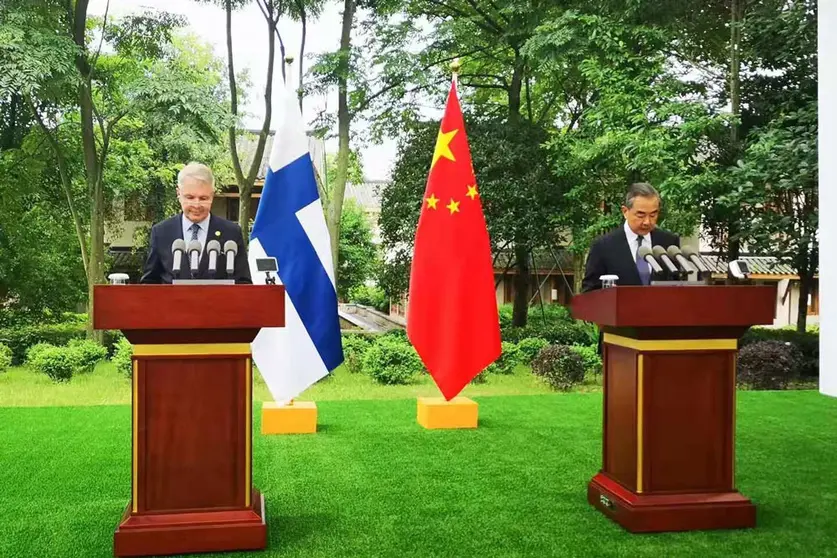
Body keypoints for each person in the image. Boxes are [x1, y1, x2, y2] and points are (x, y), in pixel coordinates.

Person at [140, 162, 252, 284]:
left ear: (212, 196)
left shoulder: (231, 232)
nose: (196, 205)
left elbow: (243, 283)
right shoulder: (161, 232)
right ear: (178, 193)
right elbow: (149, 283)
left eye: (203, 198)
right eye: (190, 197)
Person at [582, 182, 679, 292]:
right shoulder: (603, 246)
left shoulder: (669, 243)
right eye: (641, 215)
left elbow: (677, 285)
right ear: (625, 211)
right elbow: (589, 292)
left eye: (653, 215)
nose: (647, 222)